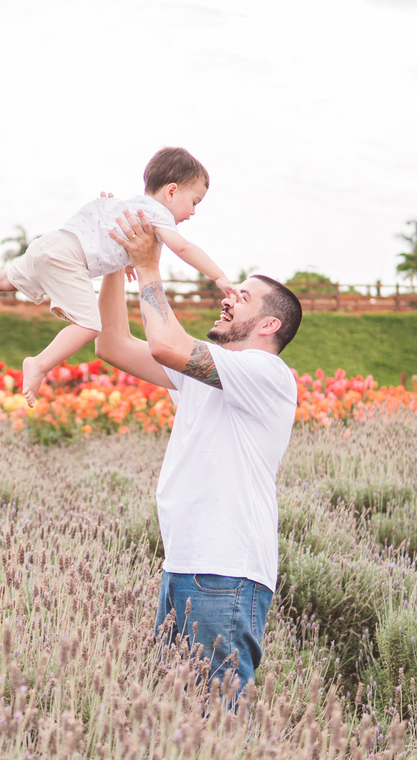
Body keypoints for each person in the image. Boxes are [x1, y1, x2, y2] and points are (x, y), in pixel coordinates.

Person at [94, 206, 302, 695]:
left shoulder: (265, 374)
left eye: (242, 296)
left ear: (269, 325)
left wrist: (148, 265)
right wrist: (112, 261)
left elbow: (167, 344)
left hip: (225, 573)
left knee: (218, 725)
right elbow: (111, 345)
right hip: (186, 567)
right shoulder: (211, 377)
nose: (228, 297)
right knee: (178, 724)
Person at [0, 147, 238, 406]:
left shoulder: (123, 206)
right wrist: (219, 276)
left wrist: (124, 260)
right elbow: (183, 247)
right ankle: (39, 364)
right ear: (172, 191)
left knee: (7, 279)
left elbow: (109, 241)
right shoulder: (157, 214)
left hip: (51, 242)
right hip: (69, 260)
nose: (193, 212)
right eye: (194, 201)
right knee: (90, 325)